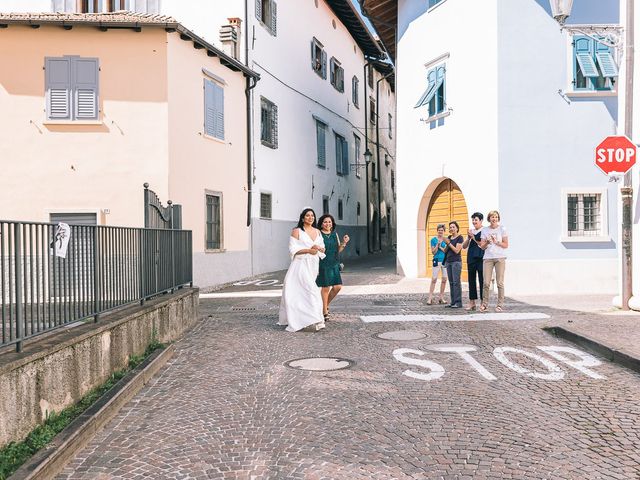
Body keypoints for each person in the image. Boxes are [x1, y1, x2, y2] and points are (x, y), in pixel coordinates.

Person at [278, 208, 326, 332]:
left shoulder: (317, 232)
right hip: (300, 265)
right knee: (310, 291)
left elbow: (322, 248)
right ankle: (315, 319)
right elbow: (292, 249)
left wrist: (317, 248)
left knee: (305, 292)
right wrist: (308, 250)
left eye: (312, 216)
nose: (310, 218)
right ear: (303, 218)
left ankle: (306, 317)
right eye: (308, 215)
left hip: (313, 265)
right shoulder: (296, 231)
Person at [316, 214, 350, 320]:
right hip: (323, 263)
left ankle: (324, 306)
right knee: (325, 287)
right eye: (325, 222)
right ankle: (325, 312)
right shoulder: (318, 234)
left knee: (337, 287)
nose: (327, 224)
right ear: (321, 223)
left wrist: (344, 242)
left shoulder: (335, 234)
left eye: (329, 222)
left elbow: (338, 250)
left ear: (332, 223)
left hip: (334, 263)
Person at [479, 210, 509, 312]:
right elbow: (482, 247)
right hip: (488, 258)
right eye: (492, 217)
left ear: (498, 218)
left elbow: (506, 245)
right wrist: (487, 242)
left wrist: (497, 242)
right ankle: (485, 304)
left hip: (500, 257)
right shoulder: (485, 230)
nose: (494, 219)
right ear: (489, 219)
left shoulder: (502, 229)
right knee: (486, 283)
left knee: (500, 282)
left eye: (496, 217)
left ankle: (500, 305)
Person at [462, 212, 485, 311]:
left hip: (481, 257)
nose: (474, 222)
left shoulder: (485, 231)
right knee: (471, 280)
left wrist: (473, 238)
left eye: (476, 220)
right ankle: (472, 303)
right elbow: (464, 246)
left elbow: (481, 244)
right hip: (471, 257)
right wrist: (468, 238)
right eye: (473, 220)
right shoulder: (471, 232)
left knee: (482, 281)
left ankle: (483, 303)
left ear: (481, 220)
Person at [443, 221, 464, 309]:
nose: (451, 229)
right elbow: (445, 251)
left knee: (456, 282)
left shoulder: (460, 238)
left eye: (453, 227)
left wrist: (448, 243)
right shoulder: (449, 237)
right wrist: (443, 244)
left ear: (457, 228)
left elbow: (456, 250)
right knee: (451, 282)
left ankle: (458, 303)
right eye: (450, 227)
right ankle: (453, 302)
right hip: (449, 262)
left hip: (456, 262)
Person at [427, 224, 448, 305]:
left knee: (444, 279)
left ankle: (441, 297)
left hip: (444, 261)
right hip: (436, 260)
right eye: (439, 230)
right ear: (437, 230)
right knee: (434, 279)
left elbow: (446, 251)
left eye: (442, 230)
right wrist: (437, 245)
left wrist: (441, 247)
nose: (440, 231)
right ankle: (430, 298)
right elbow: (433, 252)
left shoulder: (446, 240)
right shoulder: (433, 240)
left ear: (444, 231)